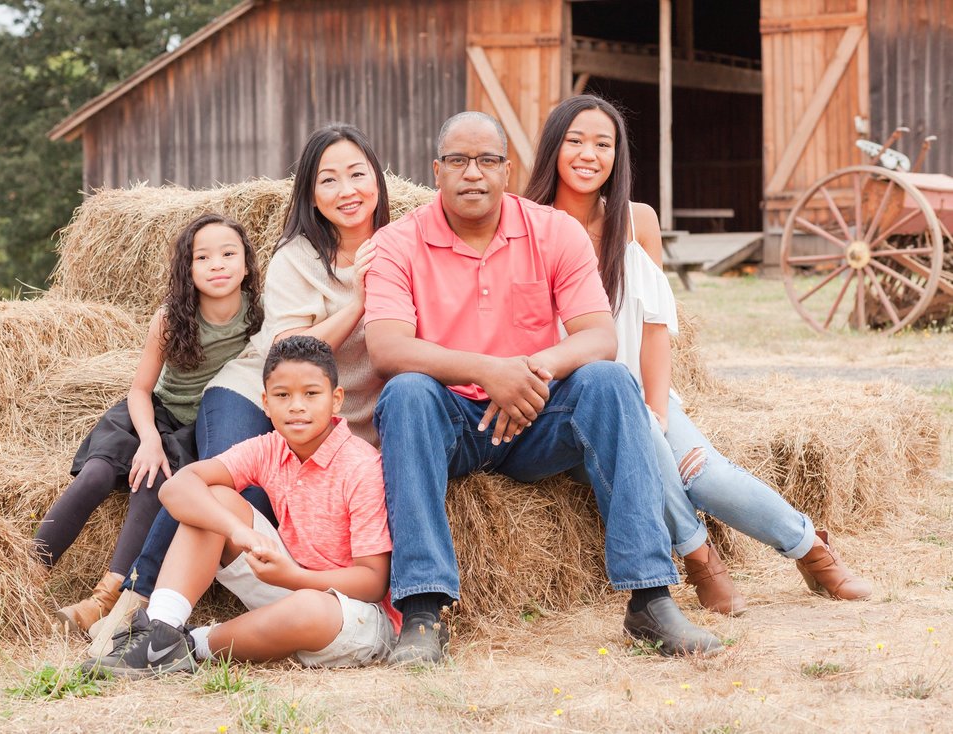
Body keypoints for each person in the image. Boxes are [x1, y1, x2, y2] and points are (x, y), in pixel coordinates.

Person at [363, 111, 723, 665]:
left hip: (534, 416)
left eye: (487, 160)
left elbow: (599, 336)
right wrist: (489, 372)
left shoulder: (554, 232)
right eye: (458, 160)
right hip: (451, 417)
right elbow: (387, 347)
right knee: (405, 393)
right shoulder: (397, 243)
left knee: (609, 380)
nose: (473, 173)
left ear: (509, 170)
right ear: (436, 171)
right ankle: (421, 613)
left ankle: (650, 598)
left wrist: (528, 371)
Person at [522, 94, 872, 615]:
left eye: (603, 143)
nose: (588, 154)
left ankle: (811, 551)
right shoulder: (526, 225)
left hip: (644, 391)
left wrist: (659, 409)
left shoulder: (636, 221)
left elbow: (655, 325)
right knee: (642, 446)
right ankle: (701, 556)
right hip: (577, 407)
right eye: (574, 141)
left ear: (618, 156)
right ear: (552, 147)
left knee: (702, 471)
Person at [90, 123, 391, 647]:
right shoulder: (296, 258)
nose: (347, 191)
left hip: (342, 412)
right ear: (310, 195)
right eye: (329, 180)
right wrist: (360, 301)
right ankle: (137, 606)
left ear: (379, 181)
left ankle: (207, 630)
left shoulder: (401, 248)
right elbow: (290, 355)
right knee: (224, 485)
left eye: (358, 175)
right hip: (255, 386)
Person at [84, 336, 399, 678]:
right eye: (283, 395)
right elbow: (177, 488)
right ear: (265, 403)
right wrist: (236, 530)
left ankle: (193, 644)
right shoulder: (269, 448)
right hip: (288, 586)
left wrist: (294, 578)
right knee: (212, 498)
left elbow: (373, 582)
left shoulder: (361, 466)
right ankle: (160, 632)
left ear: (336, 400)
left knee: (308, 607)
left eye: (311, 394)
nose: (296, 406)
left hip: (351, 614)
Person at [33, 213, 263, 634]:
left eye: (229, 254)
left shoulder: (258, 320)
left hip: (197, 430)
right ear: (187, 269)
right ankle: (24, 572)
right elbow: (140, 389)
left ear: (247, 264)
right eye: (203, 257)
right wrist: (149, 440)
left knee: (153, 484)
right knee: (98, 474)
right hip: (153, 416)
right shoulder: (172, 318)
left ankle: (106, 597)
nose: (217, 265)